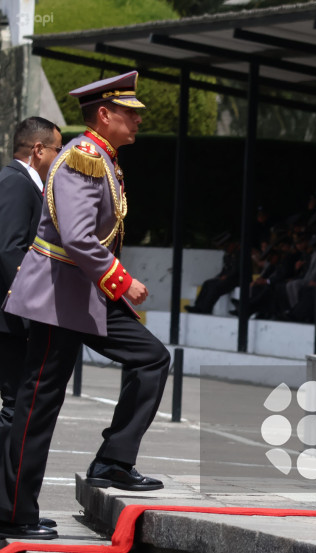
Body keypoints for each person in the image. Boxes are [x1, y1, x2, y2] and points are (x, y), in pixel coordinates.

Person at [0, 71, 170, 540]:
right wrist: (122, 281)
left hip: (86, 293)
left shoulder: (103, 159)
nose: (137, 120)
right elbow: (76, 236)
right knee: (38, 405)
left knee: (152, 357)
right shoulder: (83, 158)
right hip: (60, 295)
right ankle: (14, 511)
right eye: (129, 113)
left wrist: (110, 285)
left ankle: (113, 459)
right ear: (104, 114)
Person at [0, 117, 62, 446]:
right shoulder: (15, 182)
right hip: (11, 320)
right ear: (38, 150)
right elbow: (9, 248)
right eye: (58, 149)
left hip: (14, 315)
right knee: (14, 407)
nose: (60, 156)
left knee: (17, 406)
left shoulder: (25, 183)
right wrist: (31, 303)